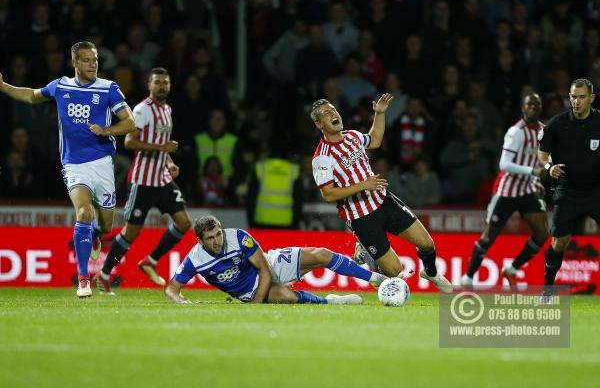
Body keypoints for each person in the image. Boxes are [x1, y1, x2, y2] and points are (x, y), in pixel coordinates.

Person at [0, 41, 135, 298]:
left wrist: (106, 130)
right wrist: (3, 86)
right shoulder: (60, 86)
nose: (93, 64)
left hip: (103, 164)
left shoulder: (108, 89)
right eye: (86, 60)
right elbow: (31, 96)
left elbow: (130, 123)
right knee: (83, 212)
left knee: (106, 226)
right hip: (74, 164)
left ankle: (95, 234)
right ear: (74, 62)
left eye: (95, 59)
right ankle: (84, 280)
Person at [309, 95, 451, 292]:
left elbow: (374, 140)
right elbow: (328, 194)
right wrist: (363, 185)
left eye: (333, 109)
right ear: (319, 124)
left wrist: (380, 114)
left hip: (383, 201)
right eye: (326, 113)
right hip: (360, 217)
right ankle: (367, 250)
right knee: (395, 273)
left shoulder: (352, 136)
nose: (333, 113)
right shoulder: (321, 158)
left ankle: (431, 273)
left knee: (427, 244)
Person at [95, 68, 192, 295]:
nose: (161, 86)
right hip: (142, 180)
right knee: (131, 232)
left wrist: (168, 162)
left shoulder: (167, 110)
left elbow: (161, 142)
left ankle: (150, 260)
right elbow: (129, 142)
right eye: (157, 82)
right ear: (149, 85)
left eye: (165, 83)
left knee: (184, 222)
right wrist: (163, 149)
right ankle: (104, 274)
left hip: (163, 179)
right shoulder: (142, 110)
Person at [165, 215, 387, 304]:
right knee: (285, 296)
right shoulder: (195, 258)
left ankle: (377, 279)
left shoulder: (238, 237)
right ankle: (331, 301)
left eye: (218, 234)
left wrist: (256, 305)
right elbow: (171, 289)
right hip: (247, 290)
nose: (217, 241)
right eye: (210, 238)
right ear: (199, 241)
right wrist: (182, 301)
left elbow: (264, 268)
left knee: (321, 254)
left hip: (268, 266)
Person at [461, 93, 550, 289]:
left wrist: (537, 178)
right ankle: (468, 277)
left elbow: (543, 160)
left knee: (543, 233)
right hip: (507, 190)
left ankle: (512, 269)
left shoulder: (544, 131)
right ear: (523, 108)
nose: (534, 107)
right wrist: (532, 171)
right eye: (530, 104)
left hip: (527, 189)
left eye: (537, 104)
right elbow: (503, 164)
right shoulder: (516, 132)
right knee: (489, 236)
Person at [537, 78, 600, 299]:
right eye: (573, 97)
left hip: (596, 191)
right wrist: (549, 167)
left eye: (582, 97)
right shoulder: (557, 124)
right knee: (560, 242)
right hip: (567, 192)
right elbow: (542, 155)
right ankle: (547, 289)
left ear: (591, 98)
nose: (577, 101)